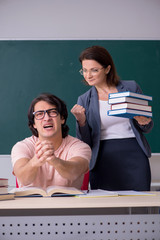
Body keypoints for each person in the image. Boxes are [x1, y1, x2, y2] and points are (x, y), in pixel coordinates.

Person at [71, 45, 153, 191]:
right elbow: (85, 142)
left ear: (107, 69)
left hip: (134, 155)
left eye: (94, 70)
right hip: (103, 158)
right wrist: (81, 121)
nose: (88, 75)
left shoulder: (130, 88)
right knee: (106, 205)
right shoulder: (84, 100)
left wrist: (142, 121)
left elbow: (147, 126)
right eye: (84, 70)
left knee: (140, 203)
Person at [11, 93, 91, 190]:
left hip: (69, 204)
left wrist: (54, 160)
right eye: (39, 114)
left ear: (62, 119)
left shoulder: (80, 147)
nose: (47, 118)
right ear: (34, 124)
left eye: (52, 112)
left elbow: (74, 173)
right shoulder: (21, 147)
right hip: (31, 204)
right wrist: (37, 160)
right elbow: (23, 179)